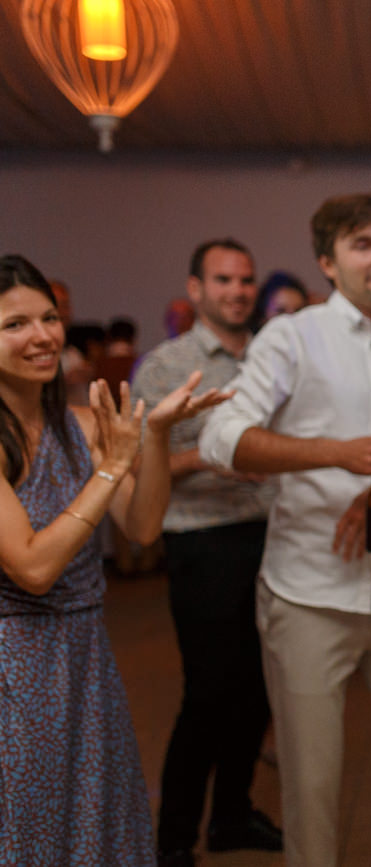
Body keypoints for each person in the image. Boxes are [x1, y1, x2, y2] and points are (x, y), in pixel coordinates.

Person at [198, 194, 371, 867]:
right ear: (327, 260)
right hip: (307, 590)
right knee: (311, 780)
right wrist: (336, 452)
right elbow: (220, 438)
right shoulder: (291, 337)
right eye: (363, 244)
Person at [0, 254, 228, 866]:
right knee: (26, 825)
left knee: (98, 820)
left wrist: (151, 439)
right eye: (14, 324)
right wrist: (109, 466)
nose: (43, 335)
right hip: (15, 672)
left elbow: (144, 526)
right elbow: (32, 568)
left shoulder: (81, 424)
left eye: (48, 317)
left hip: (87, 661)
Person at [133, 239, 281, 867]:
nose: (238, 291)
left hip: (272, 536)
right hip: (202, 541)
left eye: (245, 279)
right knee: (208, 693)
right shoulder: (167, 366)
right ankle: (173, 837)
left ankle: (230, 816)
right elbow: (146, 463)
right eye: (223, 280)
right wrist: (226, 452)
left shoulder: (274, 356)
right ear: (195, 289)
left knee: (260, 689)